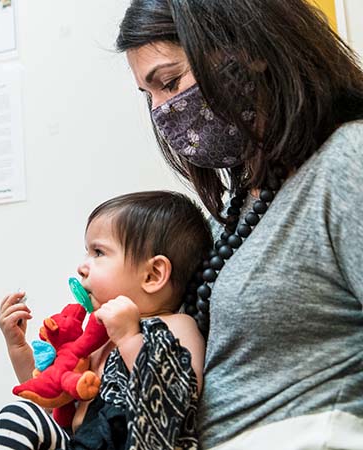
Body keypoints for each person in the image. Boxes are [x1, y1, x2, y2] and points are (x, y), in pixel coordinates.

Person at [114, 0, 363, 448]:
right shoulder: (231, 214)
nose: (161, 112)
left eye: (170, 83)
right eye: (149, 96)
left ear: (249, 48)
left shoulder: (348, 161)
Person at [0, 191, 210, 449]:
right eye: (87, 253)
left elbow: (175, 397)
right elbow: (50, 394)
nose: (83, 266)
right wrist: (18, 348)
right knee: (23, 414)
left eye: (99, 253)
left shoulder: (177, 326)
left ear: (152, 275)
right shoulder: (96, 341)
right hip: (76, 442)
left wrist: (129, 338)